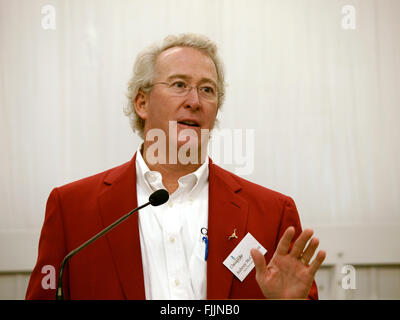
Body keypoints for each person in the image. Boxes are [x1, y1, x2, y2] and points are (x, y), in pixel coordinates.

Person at [26, 33, 325, 300]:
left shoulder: (272, 214)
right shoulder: (71, 209)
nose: (195, 101)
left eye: (208, 90)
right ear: (142, 103)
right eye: (179, 85)